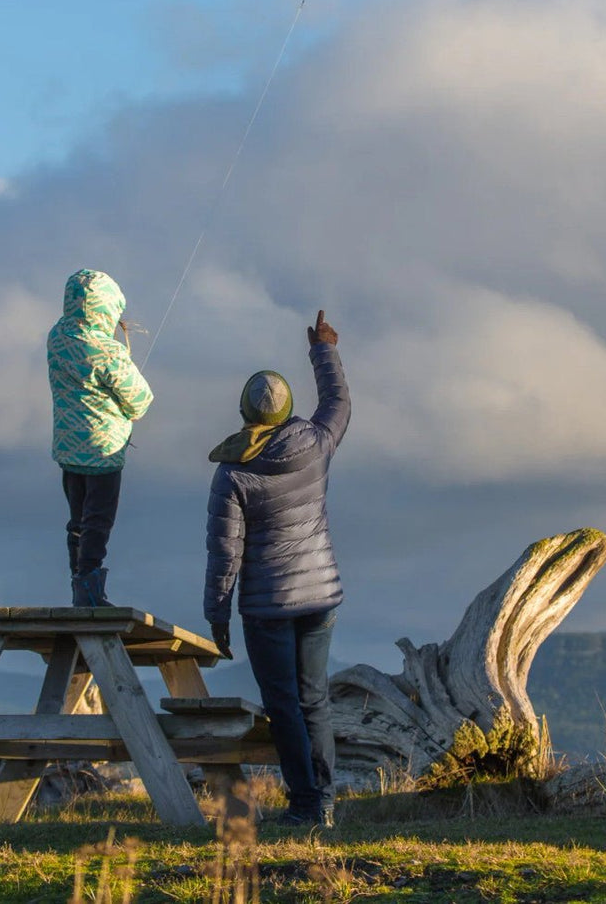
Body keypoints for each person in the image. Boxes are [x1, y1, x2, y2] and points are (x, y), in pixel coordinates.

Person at [203, 310, 350, 827]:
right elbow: (338, 403)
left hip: (267, 605)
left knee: (284, 704)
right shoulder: (314, 443)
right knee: (314, 698)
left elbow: (225, 553)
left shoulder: (232, 473)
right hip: (321, 596)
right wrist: (323, 349)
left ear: (244, 410)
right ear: (287, 410)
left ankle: (307, 804)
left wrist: (217, 616)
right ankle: (324, 802)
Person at [47, 269, 154, 606]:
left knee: (77, 520)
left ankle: (79, 583)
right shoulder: (107, 351)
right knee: (98, 521)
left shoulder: (57, 336)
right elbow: (140, 400)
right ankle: (89, 588)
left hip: (68, 449)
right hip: (103, 451)